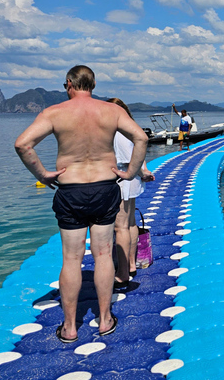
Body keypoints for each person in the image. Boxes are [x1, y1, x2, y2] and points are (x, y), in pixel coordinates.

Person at [15, 66, 148, 343]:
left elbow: (23, 144)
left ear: (68, 84)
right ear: (94, 84)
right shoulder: (112, 112)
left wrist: (42, 174)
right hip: (104, 188)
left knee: (72, 259)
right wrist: (131, 172)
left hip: (71, 190)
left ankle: (70, 327)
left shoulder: (54, 113)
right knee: (102, 255)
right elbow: (141, 138)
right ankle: (105, 319)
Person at [107, 98, 155, 288]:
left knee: (120, 227)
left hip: (124, 179)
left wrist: (143, 173)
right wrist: (144, 172)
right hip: (131, 179)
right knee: (130, 222)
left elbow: (128, 158)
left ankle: (123, 270)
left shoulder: (118, 133)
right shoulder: (129, 129)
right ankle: (132, 264)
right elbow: (139, 151)